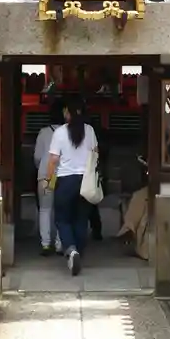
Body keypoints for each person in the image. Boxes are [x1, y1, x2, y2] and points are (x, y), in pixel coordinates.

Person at [46, 99, 98, 275]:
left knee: (62, 219)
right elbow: (96, 153)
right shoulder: (89, 130)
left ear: (68, 113)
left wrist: (48, 180)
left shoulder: (60, 132)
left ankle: (71, 249)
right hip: (85, 180)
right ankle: (78, 252)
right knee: (81, 218)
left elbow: (53, 160)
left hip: (65, 181)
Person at [32, 101, 65, 256]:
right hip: (62, 175)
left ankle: (45, 244)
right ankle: (59, 244)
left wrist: (40, 167)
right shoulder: (67, 132)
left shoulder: (43, 132)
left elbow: (38, 156)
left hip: (45, 175)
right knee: (61, 210)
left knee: (45, 210)